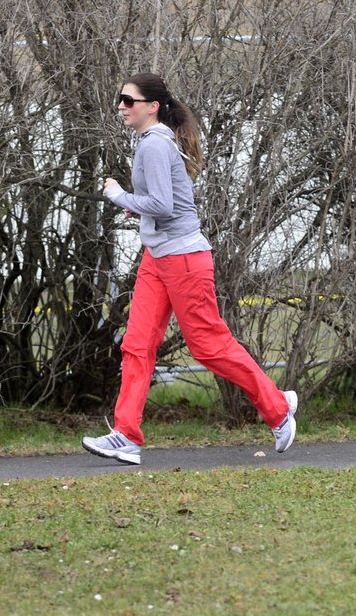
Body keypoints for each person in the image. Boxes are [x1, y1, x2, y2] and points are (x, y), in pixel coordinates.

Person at [82, 73, 298, 465]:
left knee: (208, 345)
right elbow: (164, 202)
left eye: (128, 101)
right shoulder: (152, 142)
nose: (121, 107)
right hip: (157, 256)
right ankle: (126, 435)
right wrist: (135, 204)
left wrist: (118, 197)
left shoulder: (154, 146)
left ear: (151, 106)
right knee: (136, 344)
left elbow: (163, 206)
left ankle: (278, 408)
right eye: (120, 100)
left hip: (182, 258)